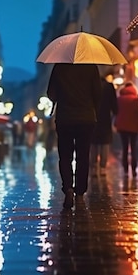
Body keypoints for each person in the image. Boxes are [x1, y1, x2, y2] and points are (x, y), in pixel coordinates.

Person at [46, 63, 101, 209]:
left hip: (65, 118)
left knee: (65, 156)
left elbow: (51, 94)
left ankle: (68, 188)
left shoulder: (60, 66)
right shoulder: (91, 67)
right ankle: (80, 191)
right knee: (83, 156)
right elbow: (98, 94)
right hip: (86, 118)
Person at [90, 71, 117, 177]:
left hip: (93, 117)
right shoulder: (109, 86)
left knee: (93, 143)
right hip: (106, 118)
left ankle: (93, 166)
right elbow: (114, 105)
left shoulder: (91, 86)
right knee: (104, 143)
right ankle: (102, 167)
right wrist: (114, 112)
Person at [114, 82, 138, 177]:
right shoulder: (135, 99)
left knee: (125, 148)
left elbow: (116, 112)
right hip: (134, 127)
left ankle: (125, 168)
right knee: (133, 148)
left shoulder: (119, 99)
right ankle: (134, 168)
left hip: (122, 127)